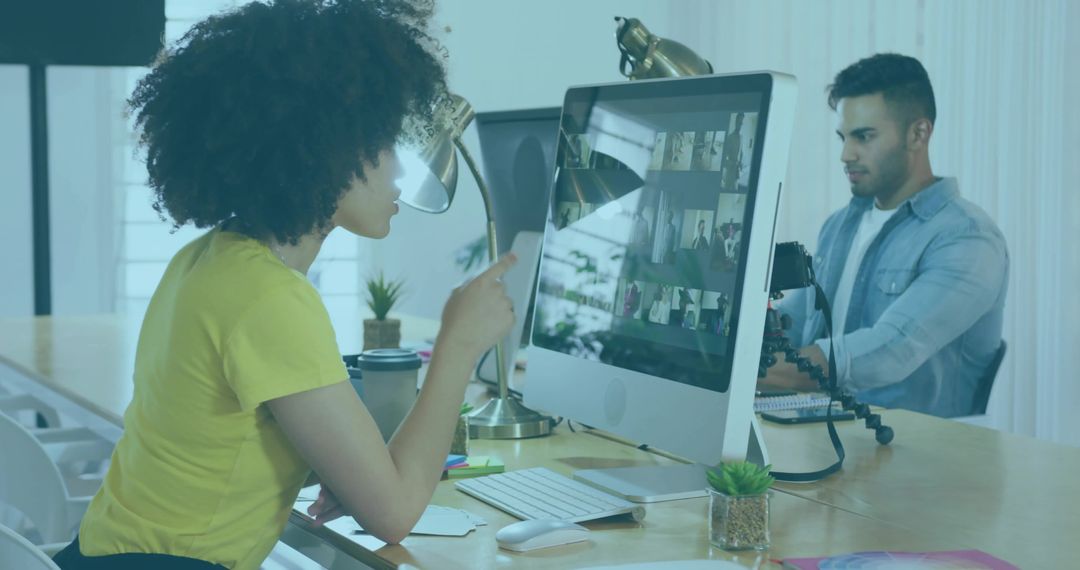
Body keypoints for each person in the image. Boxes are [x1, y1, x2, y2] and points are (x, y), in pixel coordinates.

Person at [53, 2, 517, 569]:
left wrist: (332, 462)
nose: (399, 169)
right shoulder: (273, 301)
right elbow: (394, 514)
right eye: (385, 142)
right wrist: (458, 347)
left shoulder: (208, 261)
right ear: (326, 146)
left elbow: (222, 437)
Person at [759, 53, 1008, 418]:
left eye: (864, 136)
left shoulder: (968, 239)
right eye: (843, 137)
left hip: (922, 461)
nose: (846, 154)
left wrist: (751, 372)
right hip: (823, 436)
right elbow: (793, 326)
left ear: (918, 133)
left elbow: (890, 351)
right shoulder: (839, 225)